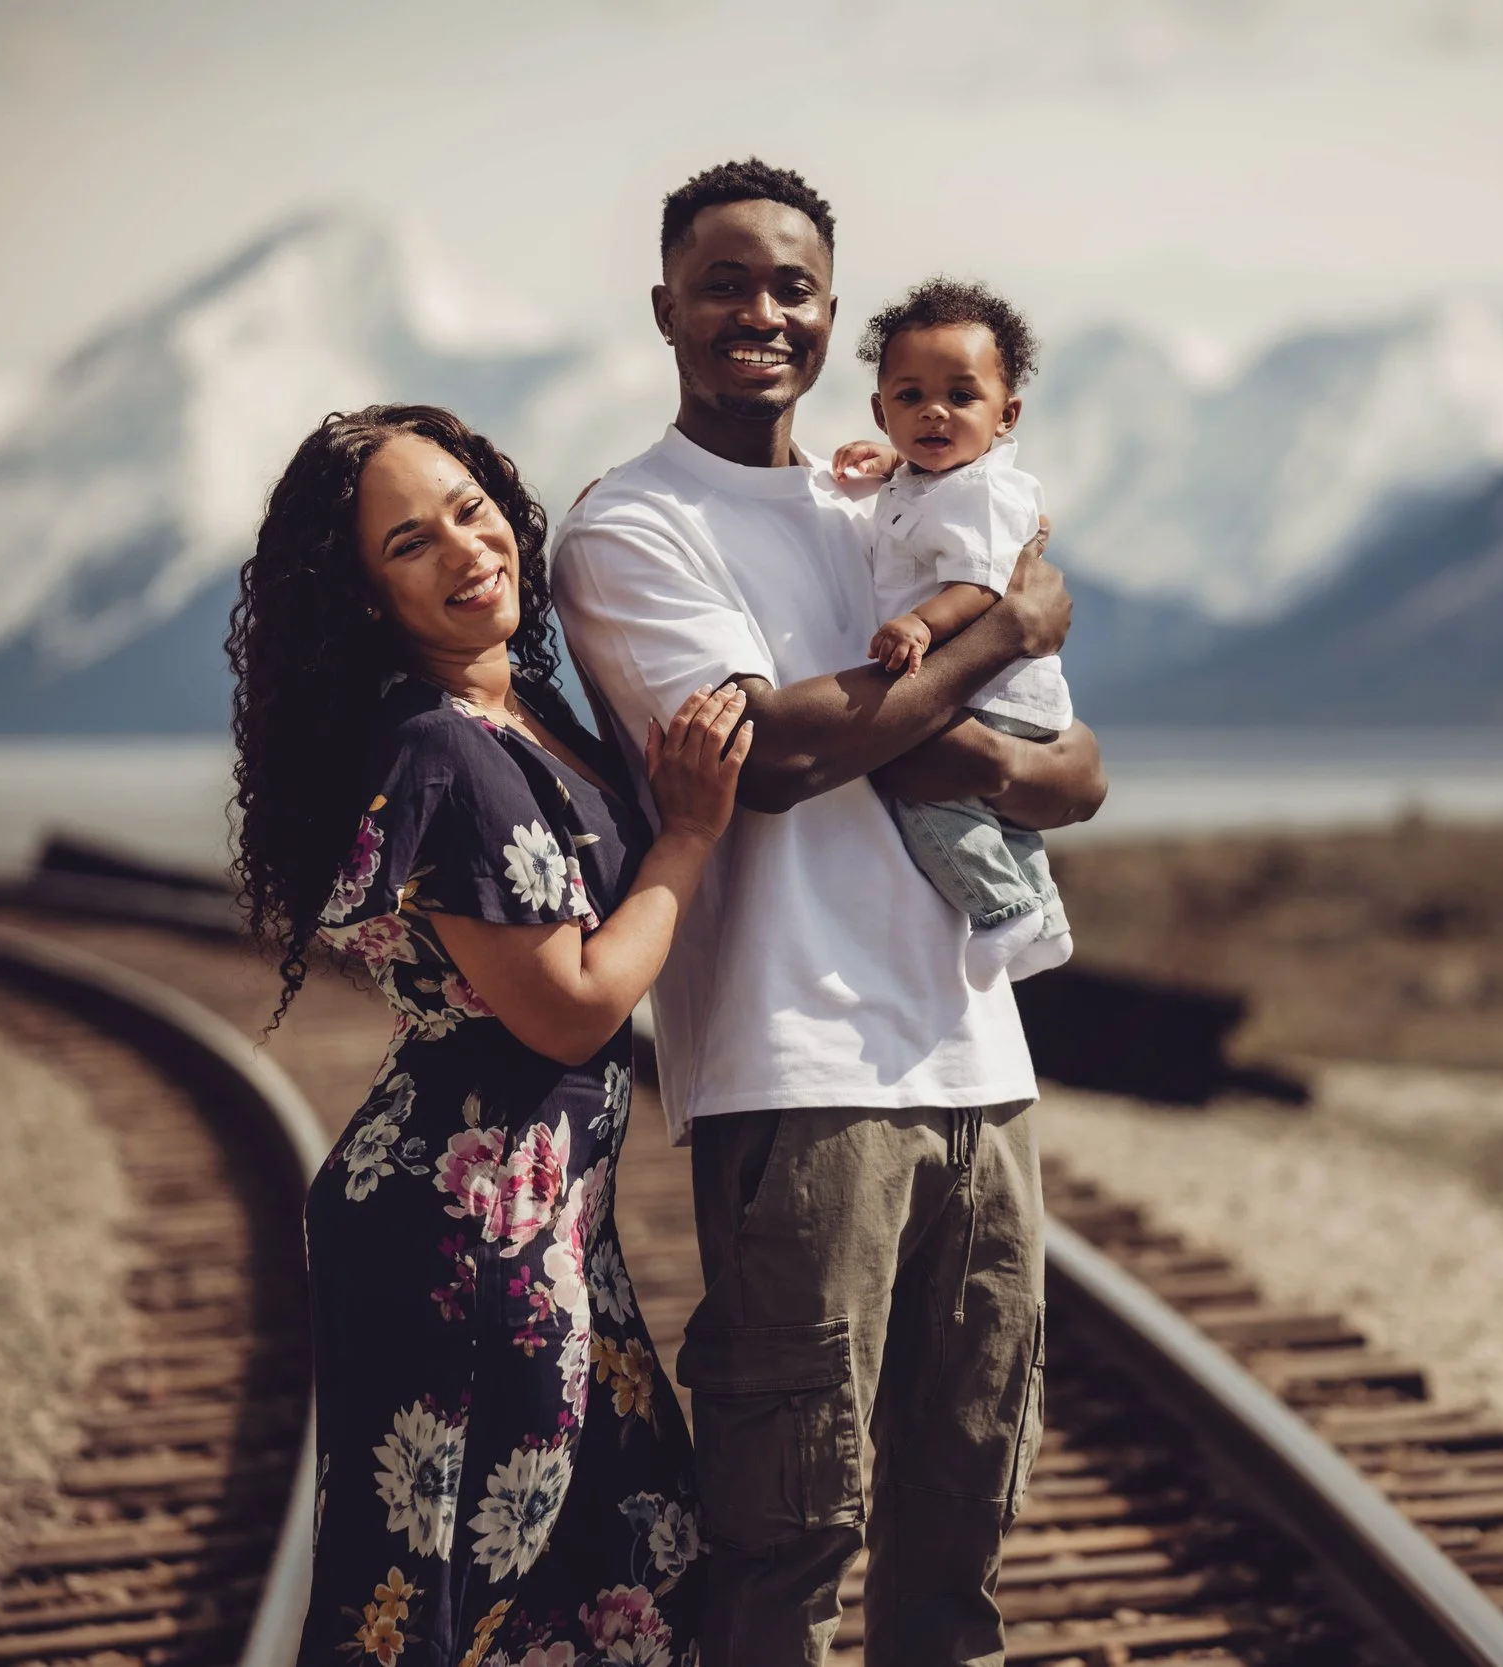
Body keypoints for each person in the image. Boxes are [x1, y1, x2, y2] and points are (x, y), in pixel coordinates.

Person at [551, 160, 1108, 1667]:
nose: (759, 311)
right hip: (798, 1076)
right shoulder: (628, 529)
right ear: (663, 306)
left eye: (791, 285)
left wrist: (959, 695)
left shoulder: (898, 488)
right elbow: (779, 758)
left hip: (979, 1065)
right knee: (789, 1529)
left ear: (833, 314)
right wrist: (1007, 627)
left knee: (964, 1517)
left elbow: (1077, 775)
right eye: (724, 281)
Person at [228, 404, 749, 1667]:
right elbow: (571, 1003)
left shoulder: (528, 716)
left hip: (547, 1222)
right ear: (362, 596)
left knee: (634, 1565)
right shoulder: (438, 749)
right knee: (452, 1605)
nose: (468, 551)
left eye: (470, 510)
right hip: (462, 1245)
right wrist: (686, 835)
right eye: (410, 541)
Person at [832, 277, 1074, 990]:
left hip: (988, 684)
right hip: (1009, 691)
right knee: (1001, 819)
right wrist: (892, 464)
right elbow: (920, 495)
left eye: (961, 398)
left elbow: (978, 585)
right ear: (882, 411)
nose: (934, 412)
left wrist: (917, 622)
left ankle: (1001, 907)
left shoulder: (985, 492)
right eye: (910, 399)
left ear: (1006, 415)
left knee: (925, 792)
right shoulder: (940, 477)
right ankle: (1048, 923)